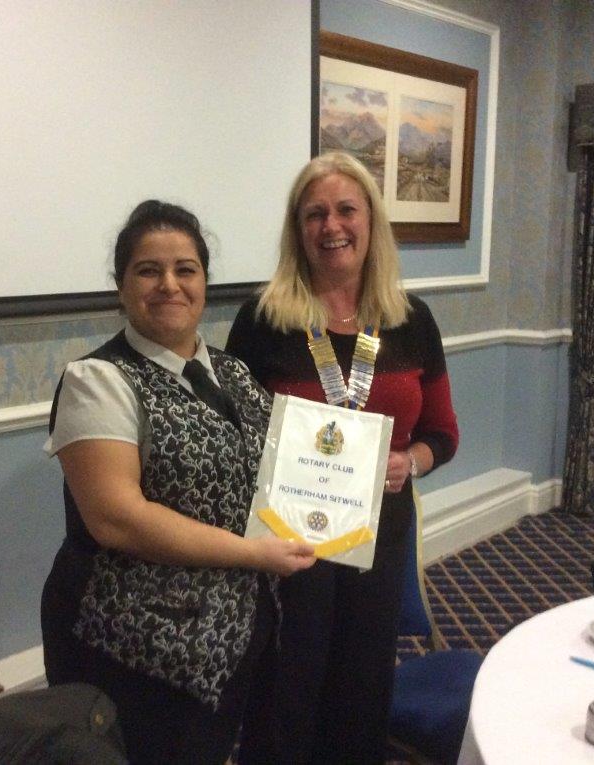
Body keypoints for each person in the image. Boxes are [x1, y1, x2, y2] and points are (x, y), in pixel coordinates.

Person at [40, 200, 315, 765]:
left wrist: (359, 481)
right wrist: (252, 555)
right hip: (134, 643)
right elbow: (118, 518)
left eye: (185, 269)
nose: (170, 284)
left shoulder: (233, 371)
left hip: (234, 628)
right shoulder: (98, 381)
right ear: (121, 286)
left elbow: (278, 468)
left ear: (204, 282)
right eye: (148, 270)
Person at [226, 151, 459, 764]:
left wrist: (415, 461)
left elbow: (443, 432)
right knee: (286, 681)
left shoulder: (412, 320)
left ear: (371, 222)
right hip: (288, 541)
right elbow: (233, 433)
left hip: (379, 533)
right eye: (315, 214)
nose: (332, 226)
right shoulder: (262, 320)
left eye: (346, 210)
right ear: (297, 230)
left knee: (362, 682)